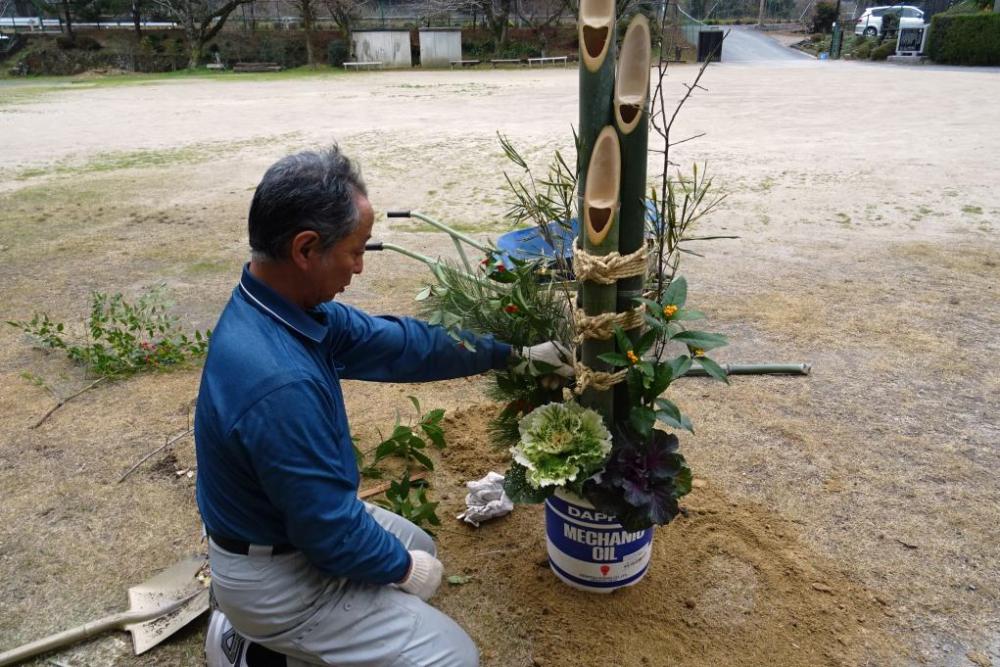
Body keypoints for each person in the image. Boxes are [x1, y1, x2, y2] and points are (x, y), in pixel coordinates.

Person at [195, 146, 572, 667]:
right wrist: (399, 569)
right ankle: (256, 644)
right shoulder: (278, 383)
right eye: (356, 250)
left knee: (422, 546)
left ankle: (273, 637)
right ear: (306, 249)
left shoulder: (283, 310)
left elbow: (400, 343)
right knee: (453, 656)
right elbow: (327, 529)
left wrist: (513, 355)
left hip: (279, 532)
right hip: (278, 573)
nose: (360, 266)